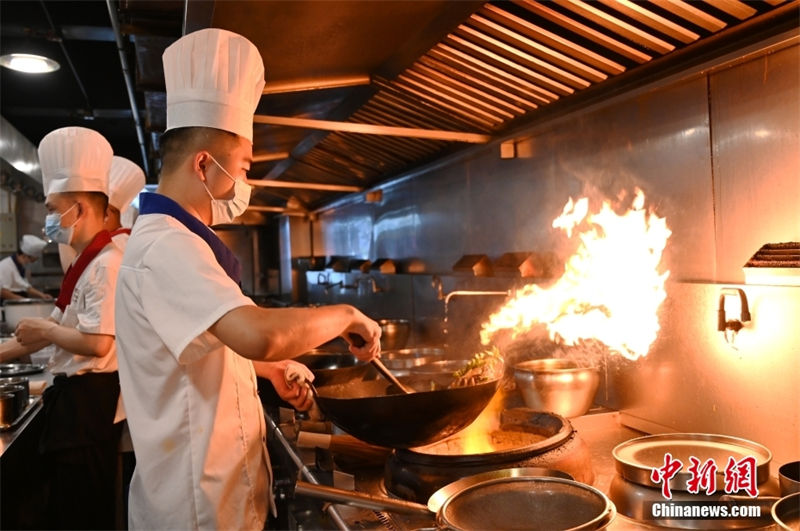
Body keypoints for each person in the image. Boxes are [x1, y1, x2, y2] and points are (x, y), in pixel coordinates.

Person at [114, 28, 381, 530]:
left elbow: (205, 341)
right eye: (241, 168)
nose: (244, 186)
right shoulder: (167, 246)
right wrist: (345, 313)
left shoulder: (178, 242)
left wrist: (271, 370)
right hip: (195, 509)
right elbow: (260, 332)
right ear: (203, 164)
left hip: (215, 495)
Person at [0, 126, 122, 529]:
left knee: (82, 512)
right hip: (72, 406)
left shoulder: (106, 264)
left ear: (80, 210)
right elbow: (46, 327)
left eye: (53, 209)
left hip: (89, 405)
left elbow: (99, 343)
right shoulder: (84, 263)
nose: (49, 219)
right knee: (66, 507)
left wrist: (47, 333)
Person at [58, 155, 146, 271]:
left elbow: (73, 272)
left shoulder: (112, 249)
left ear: (106, 214)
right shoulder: (121, 243)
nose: (80, 219)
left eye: (83, 211)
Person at [0, 235, 52, 301]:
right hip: (8, 306)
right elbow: (3, 292)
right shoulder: (6, 266)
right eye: (31, 261)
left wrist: (42, 295)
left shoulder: (20, 266)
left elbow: (25, 287)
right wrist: (24, 301)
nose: (29, 263)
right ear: (24, 256)